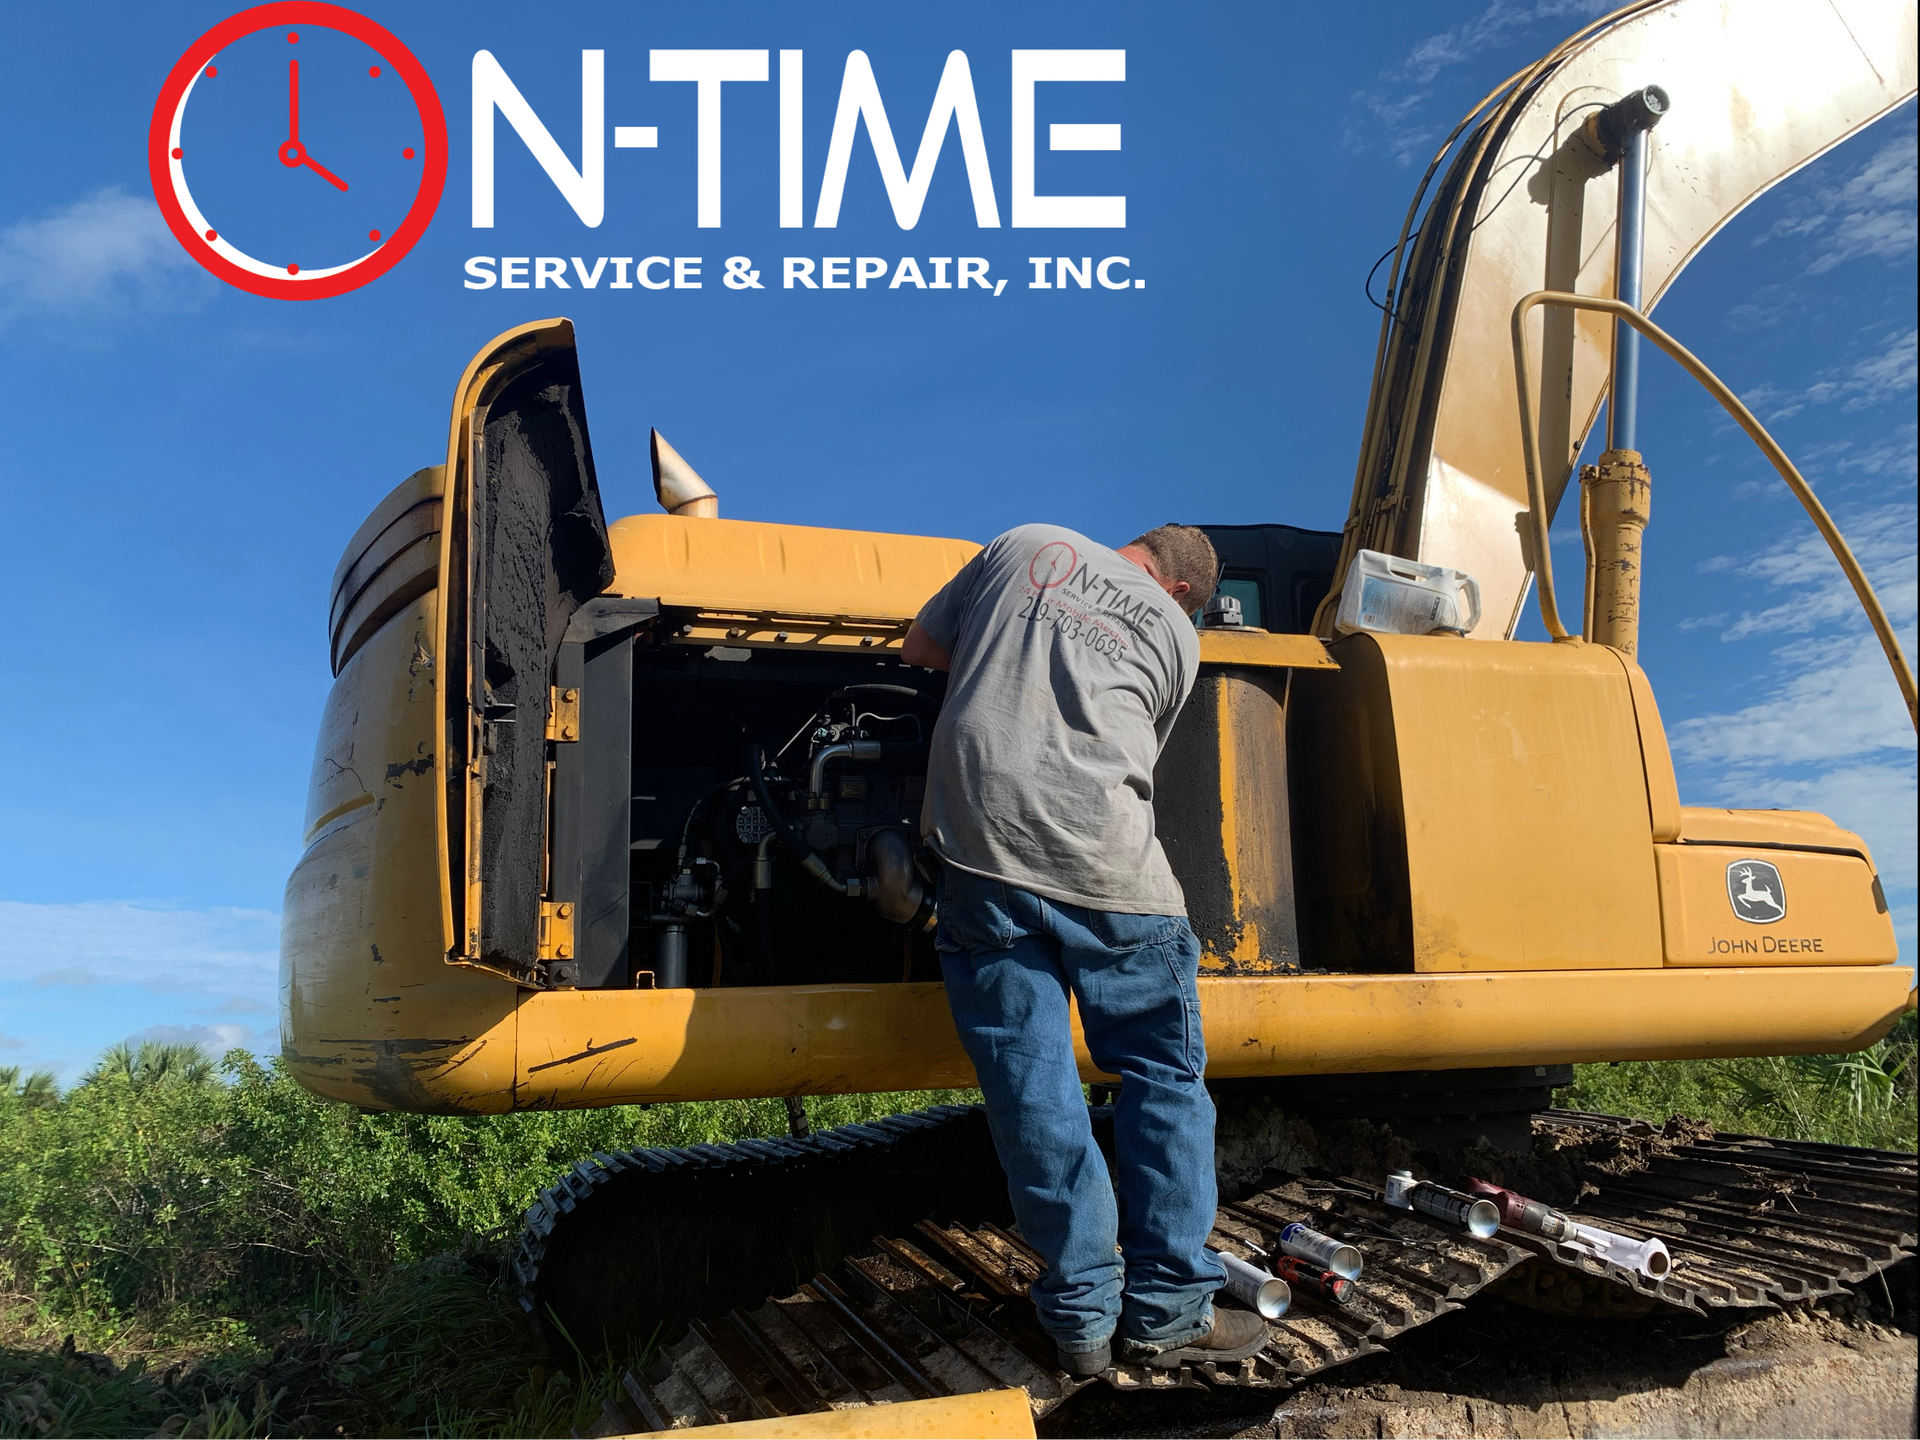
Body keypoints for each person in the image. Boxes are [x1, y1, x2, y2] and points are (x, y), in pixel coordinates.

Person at [901, 522, 1266, 1375]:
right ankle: (1170, 1313)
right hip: (1113, 877)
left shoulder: (1026, 541)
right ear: (1184, 592)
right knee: (1162, 1082)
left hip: (978, 853)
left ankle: (1079, 1326)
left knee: (1032, 1087)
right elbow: (1131, 750)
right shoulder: (1179, 634)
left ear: (1134, 550)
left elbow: (920, 648)